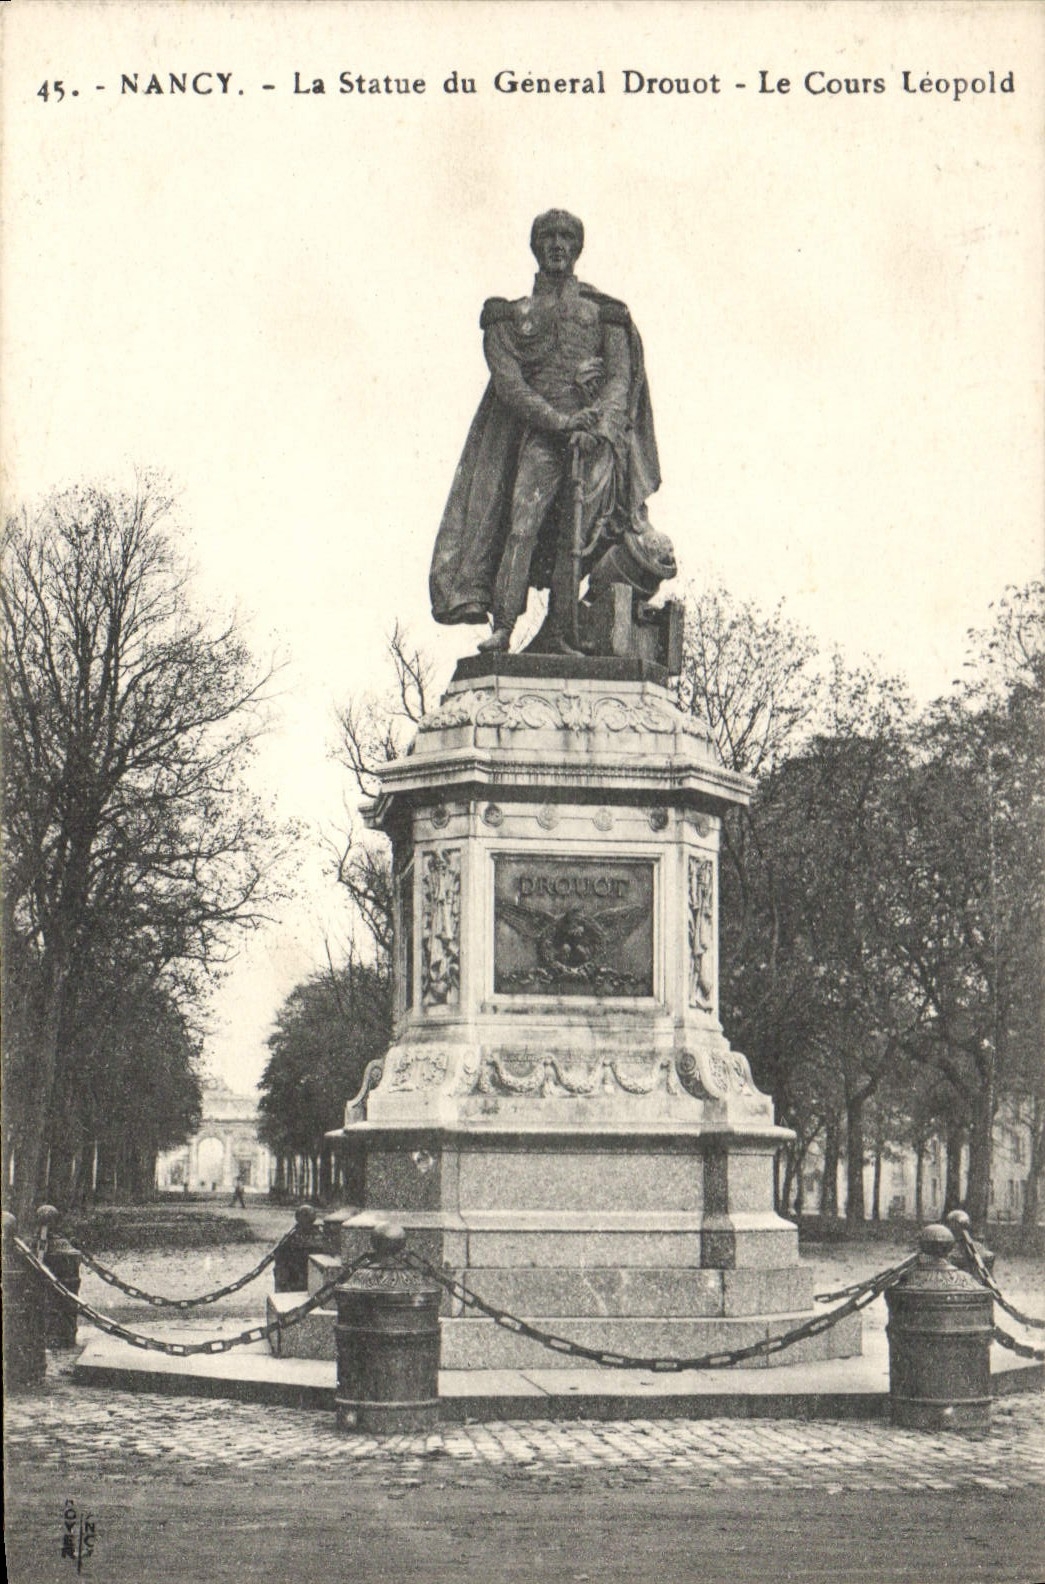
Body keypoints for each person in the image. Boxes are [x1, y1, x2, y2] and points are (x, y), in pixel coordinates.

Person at [429, 210, 661, 654]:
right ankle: (503, 627)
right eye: (549, 237)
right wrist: (560, 421)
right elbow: (510, 385)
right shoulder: (512, 316)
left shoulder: (605, 315)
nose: (557, 244)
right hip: (542, 437)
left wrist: (596, 425)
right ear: (536, 246)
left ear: (577, 247)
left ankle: (562, 627)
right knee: (522, 525)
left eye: (566, 237)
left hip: (593, 441)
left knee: (579, 539)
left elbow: (619, 379)